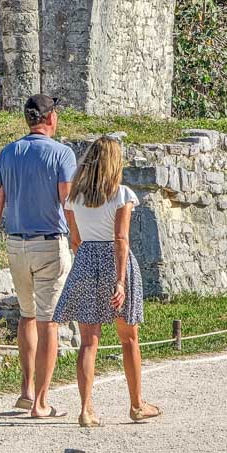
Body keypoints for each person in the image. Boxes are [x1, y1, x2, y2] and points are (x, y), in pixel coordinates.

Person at [53, 135, 161, 427]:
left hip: (87, 258)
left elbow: (74, 239)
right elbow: (121, 238)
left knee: (89, 342)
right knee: (129, 339)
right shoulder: (121, 194)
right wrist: (120, 281)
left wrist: (89, 259)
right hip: (117, 262)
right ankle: (137, 405)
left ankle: (86, 409)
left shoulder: (74, 197)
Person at [0, 94, 75, 419]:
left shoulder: (8, 153)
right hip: (50, 242)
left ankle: (26, 390)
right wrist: (77, 240)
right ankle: (42, 402)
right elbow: (67, 203)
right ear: (51, 118)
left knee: (27, 315)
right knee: (50, 320)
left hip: (16, 244)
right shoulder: (63, 154)